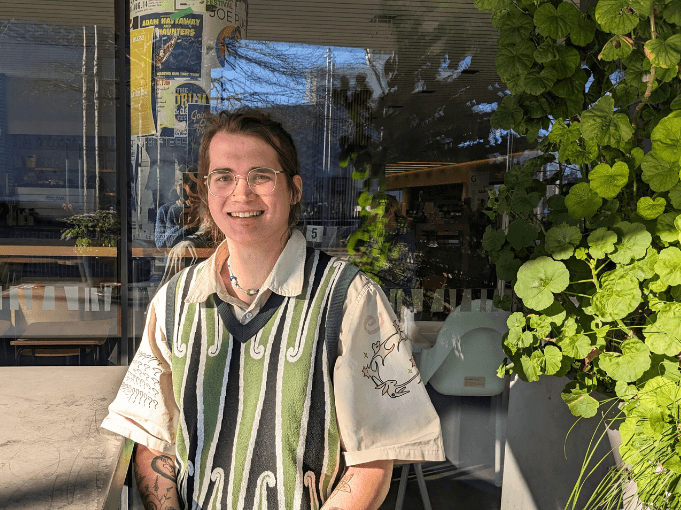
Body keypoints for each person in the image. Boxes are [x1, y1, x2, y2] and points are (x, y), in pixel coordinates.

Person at [101, 110, 444, 510]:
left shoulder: (349, 299)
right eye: (224, 176)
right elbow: (151, 440)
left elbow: (375, 458)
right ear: (206, 190)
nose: (241, 194)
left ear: (294, 190)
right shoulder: (174, 302)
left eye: (261, 176)